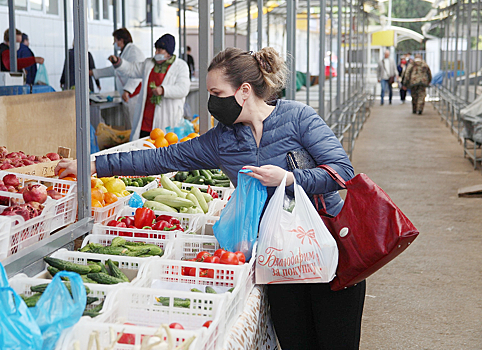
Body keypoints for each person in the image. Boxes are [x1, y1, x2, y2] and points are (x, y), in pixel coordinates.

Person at [55, 46, 366, 350]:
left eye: (217, 94)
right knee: (296, 342)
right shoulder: (223, 141)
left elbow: (343, 172)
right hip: (278, 261)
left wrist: (288, 178)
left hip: (330, 249)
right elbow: (163, 158)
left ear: (244, 91)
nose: (211, 103)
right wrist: (94, 165)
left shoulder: (298, 118)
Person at [108, 33, 190, 140]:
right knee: (143, 145)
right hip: (145, 119)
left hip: (167, 118)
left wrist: (163, 90)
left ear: (168, 52)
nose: (156, 53)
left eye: (160, 50)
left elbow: (183, 89)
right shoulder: (149, 63)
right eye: (156, 50)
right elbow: (132, 69)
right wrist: (118, 62)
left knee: (162, 146)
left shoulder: (180, 66)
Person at [90, 28, 145, 130]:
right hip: (128, 96)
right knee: (130, 126)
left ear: (121, 40)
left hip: (133, 95)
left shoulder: (134, 52)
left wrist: (127, 90)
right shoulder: (125, 52)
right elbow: (115, 70)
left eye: (115, 40)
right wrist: (94, 73)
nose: (114, 43)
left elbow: (137, 74)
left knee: (134, 127)